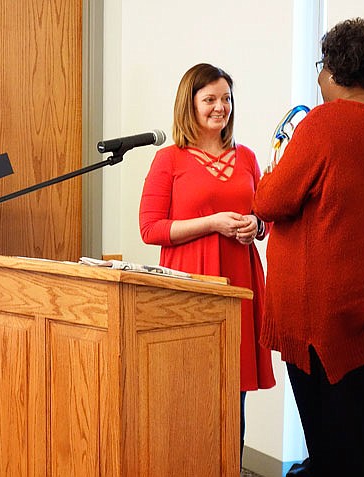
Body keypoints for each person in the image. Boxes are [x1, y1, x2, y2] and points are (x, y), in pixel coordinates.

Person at [253, 18, 364, 477]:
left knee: (335, 453)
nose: (318, 76)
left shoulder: (324, 125)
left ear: (336, 69)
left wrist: (274, 169)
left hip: (329, 320)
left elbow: (270, 200)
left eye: (320, 66)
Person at [139, 63, 276, 458]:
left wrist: (257, 225)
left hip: (239, 282)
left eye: (226, 99)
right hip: (189, 285)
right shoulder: (170, 160)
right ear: (190, 104)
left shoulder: (247, 157)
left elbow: (264, 215)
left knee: (233, 391)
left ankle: (229, 464)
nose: (221, 107)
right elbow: (150, 229)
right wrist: (212, 222)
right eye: (210, 99)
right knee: (189, 388)